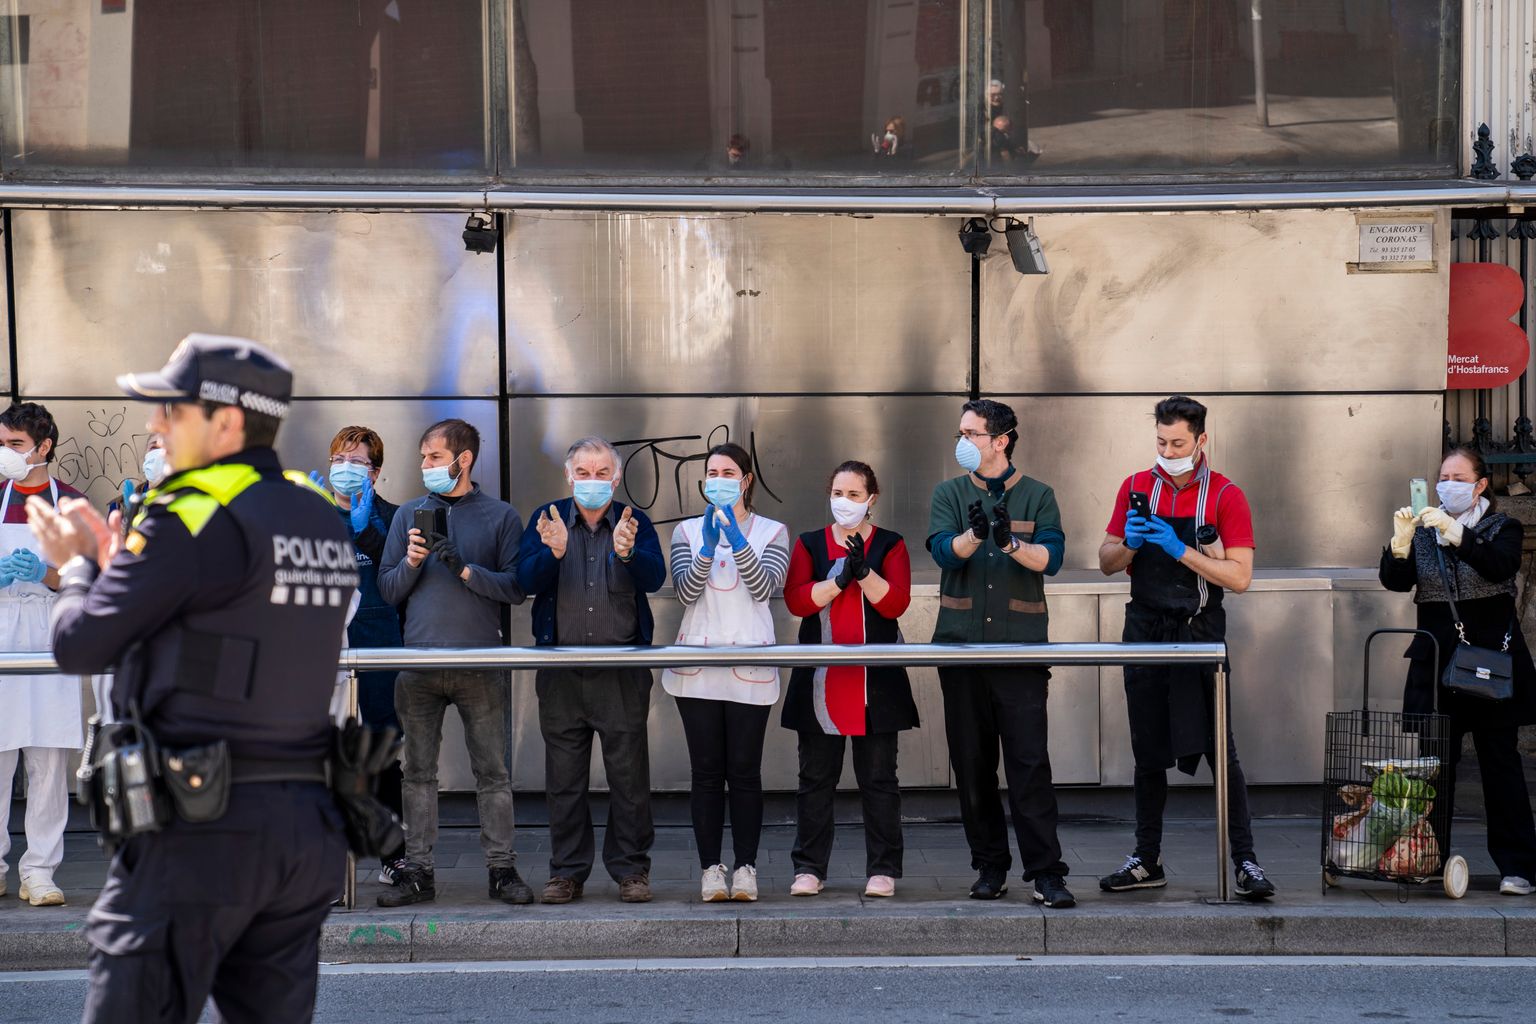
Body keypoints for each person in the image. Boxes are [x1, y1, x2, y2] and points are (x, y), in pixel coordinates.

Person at [33, 334, 357, 1022]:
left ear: (227, 421)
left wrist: (81, 567)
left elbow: (81, 645)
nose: (155, 425)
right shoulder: (317, 513)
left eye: (171, 411)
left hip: (201, 825)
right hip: (305, 826)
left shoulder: (192, 514)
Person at [1096, 396, 1275, 900]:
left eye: (1177, 443)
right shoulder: (1135, 486)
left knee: (1222, 751)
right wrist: (1130, 543)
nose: (1168, 451)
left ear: (1201, 441)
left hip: (1199, 631)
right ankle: (1145, 859)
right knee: (1147, 751)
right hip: (1145, 631)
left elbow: (1239, 578)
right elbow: (1107, 560)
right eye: (1160, 441)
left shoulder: (1225, 494)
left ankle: (1246, 862)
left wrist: (1182, 550)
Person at [926, 398, 1075, 909]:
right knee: (972, 765)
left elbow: (1051, 558)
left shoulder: (1038, 495)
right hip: (961, 648)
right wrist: (975, 534)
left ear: (1001, 439)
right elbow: (944, 552)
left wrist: (1011, 544)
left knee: (1029, 763)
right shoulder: (949, 493)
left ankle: (1047, 873)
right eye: (960, 433)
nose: (962, 442)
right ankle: (989, 866)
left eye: (971, 434)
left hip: (1020, 651)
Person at [376, 418, 529, 908]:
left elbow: (515, 588)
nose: (425, 466)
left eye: (434, 457)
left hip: (480, 662)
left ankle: (501, 870)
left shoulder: (500, 516)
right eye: (423, 457)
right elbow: (387, 589)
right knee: (417, 772)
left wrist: (464, 568)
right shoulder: (407, 515)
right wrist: (414, 563)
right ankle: (418, 871)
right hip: (418, 662)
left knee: (493, 772)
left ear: (463, 460)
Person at [1380, 445, 1536, 895]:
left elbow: (1499, 566)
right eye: (1442, 476)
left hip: (1488, 663)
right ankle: (1429, 858)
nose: (1447, 484)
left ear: (1480, 484)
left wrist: (1457, 533)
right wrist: (1400, 544)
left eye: (1458, 477)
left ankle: (1519, 866)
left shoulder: (1501, 527)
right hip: (1437, 659)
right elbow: (1395, 580)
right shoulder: (1425, 528)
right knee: (1435, 768)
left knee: (1500, 765)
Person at [517, 436, 665, 904]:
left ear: (617, 478)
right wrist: (553, 552)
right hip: (561, 671)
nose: (593, 481)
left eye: (603, 473)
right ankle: (567, 872)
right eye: (584, 472)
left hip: (620, 670)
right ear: (569, 475)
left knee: (628, 778)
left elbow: (655, 577)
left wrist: (628, 553)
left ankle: (631, 871)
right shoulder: (547, 518)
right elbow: (523, 582)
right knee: (564, 780)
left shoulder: (633, 521)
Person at [661, 443, 790, 903]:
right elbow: (684, 591)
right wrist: (708, 548)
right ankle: (711, 869)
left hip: (750, 665)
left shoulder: (773, 532)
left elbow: (765, 587)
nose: (718, 478)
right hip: (697, 666)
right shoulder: (687, 531)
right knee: (707, 772)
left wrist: (736, 540)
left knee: (745, 771)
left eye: (728, 471)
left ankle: (747, 868)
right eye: (712, 471)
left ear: (746, 479)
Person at [782, 460, 916, 898]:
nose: (845, 502)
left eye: (855, 495)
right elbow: (797, 602)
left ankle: (882, 869)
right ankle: (809, 868)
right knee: (815, 779)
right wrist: (839, 580)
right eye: (838, 493)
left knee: (879, 780)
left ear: (871, 499)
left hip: (875, 685)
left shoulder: (891, 545)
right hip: (822, 682)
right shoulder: (809, 544)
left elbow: (895, 604)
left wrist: (864, 572)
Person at [0, 401, 86, 908]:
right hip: (1, 631)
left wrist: (46, 575)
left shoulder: (71, 505)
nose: (5, 454)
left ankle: (39, 870)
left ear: (43, 447)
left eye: (15, 445)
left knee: (49, 761)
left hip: (51, 631)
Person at [325, 425, 406, 884]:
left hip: (380, 646)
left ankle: (394, 855)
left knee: (383, 754)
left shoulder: (393, 519)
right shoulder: (311, 517)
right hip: (324, 653)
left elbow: (404, 583)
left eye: (357, 463)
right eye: (340, 460)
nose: (346, 470)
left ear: (374, 473)